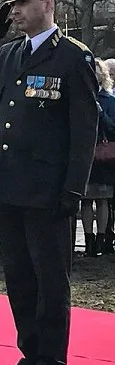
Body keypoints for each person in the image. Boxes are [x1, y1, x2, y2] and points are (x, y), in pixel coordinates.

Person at [0, 0, 98, 365]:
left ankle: (51, 363)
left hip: (47, 189)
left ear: (48, 3)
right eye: (12, 5)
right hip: (7, 185)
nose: (16, 11)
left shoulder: (73, 58)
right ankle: (29, 353)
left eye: (24, 3)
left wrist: (73, 189)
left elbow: (84, 131)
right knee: (19, 278)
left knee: (49, 280)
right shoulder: (6, 54)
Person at [82, 59, 115, 256]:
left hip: (103, 157)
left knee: (102, 200)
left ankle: (102, 239)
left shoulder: (110, 100)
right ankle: (89, 242)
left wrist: (100, 113)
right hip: (84, 154)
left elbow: (113, 128)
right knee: (85, 200)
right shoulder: (79, 97)